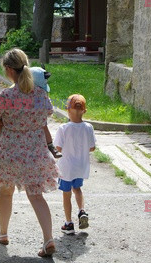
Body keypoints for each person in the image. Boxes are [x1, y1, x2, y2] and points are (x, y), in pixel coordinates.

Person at [0, 48, 59, 257]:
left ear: (9, 70)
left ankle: (3, 234)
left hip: (10, 153)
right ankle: (48, 240)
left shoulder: (6, 95)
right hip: (36, 152)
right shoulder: (40, 95)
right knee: (36, 196)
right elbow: (48, 113)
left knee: (6, 191)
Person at [0, 66, 62, 159]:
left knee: (1, 124)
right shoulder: (41, 94)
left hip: (12, 143)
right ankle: (51, 146)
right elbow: (50, 111)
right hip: (36, 138)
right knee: (44, 125)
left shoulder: (9, 93)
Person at [53, 94, 96, 235]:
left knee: (66, 194)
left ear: (67, 110)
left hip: (66, 168)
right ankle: (82, 211)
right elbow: (92, 147)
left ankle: (68, 223)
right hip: (81, 166)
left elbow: (57, 148)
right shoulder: (88, 127)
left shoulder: (63, 128)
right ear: (84, 111)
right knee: (77, 189)